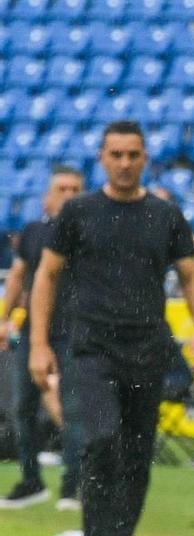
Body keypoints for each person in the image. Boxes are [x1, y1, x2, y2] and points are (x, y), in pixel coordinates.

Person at [28, 123, 194, 536]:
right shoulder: (79, 212)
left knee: (136, 454)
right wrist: (39, 343)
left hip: (148, 347)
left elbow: (191, 276)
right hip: (91, 347)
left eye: (133, 154)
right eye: (116, 154)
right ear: (102, 157)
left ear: (145, 157)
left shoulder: (165, 216)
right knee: (102, 438)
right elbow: (46, 276)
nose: (125, 163)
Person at [1, 165, 83, 510]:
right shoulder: (34, 232)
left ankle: (73, 486)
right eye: (62, 189)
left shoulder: (92, 232)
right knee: (23, 407)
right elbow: (19, 276)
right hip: (36, 330)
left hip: (77, 331)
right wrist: (3, 318)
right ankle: (31, 479)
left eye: (75, 189)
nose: (68, 195)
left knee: (74, 408)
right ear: (48, 196)